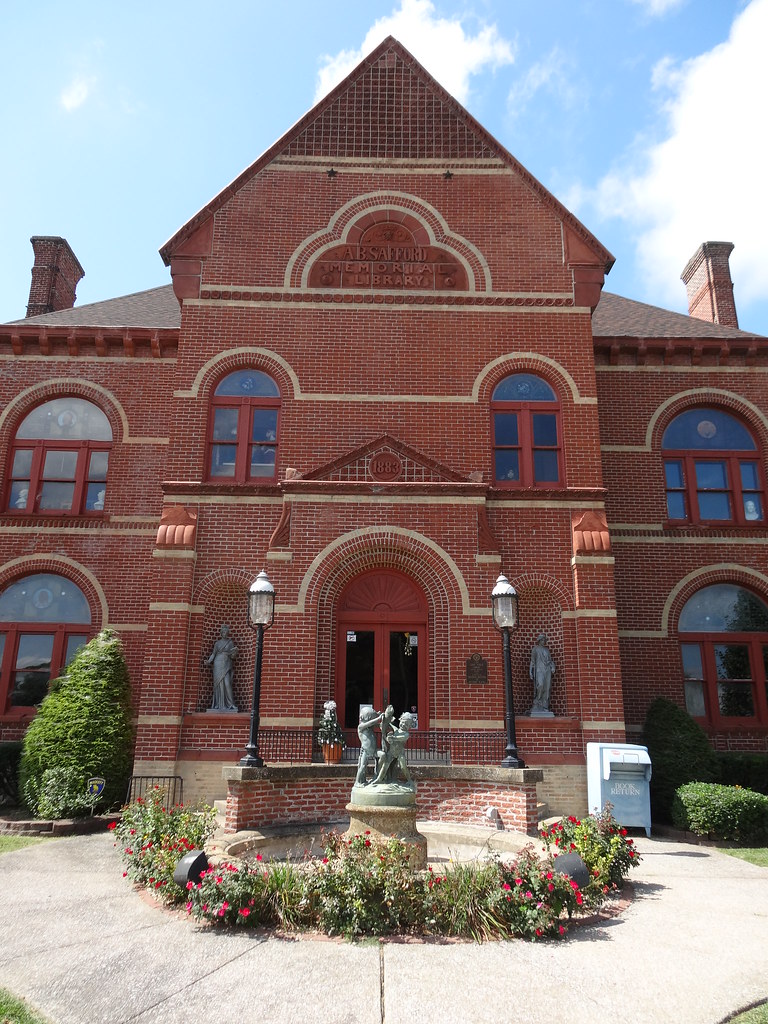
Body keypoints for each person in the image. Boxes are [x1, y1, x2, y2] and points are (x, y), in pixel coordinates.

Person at [372, 711, 416, 785]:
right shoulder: (396, 730)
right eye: (402, 722)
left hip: (400, 753)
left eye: (406, 724)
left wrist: (392, 738)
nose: (403, 725)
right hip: (391, 752)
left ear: (409, 726)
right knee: (385, 766)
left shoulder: (406, 734)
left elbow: (399, 738)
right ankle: (379, 779)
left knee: (403, 767)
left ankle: (409, 780)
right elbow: (390, 725)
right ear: (400, 720)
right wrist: (385, 719)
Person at [206, 624, 239, 711]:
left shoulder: (230, 642)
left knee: (227, 683)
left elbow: (232, 656)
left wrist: (235, 652)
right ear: (221, 633)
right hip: (218, 663)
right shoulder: (217, 643)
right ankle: (218, 704)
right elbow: (213, 654)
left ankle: (230, 704)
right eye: (223, 632)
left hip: (226, 663)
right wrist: (209, 661)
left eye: (226, 632)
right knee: (218, 684)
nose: (225, 633)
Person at [355, 707, 384, 785]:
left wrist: (380, 717)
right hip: (365, 750)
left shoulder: (370, 727)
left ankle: (377, 775)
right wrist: (378, 718)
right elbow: (370, 723)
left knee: (382, 755)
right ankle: (358, 782)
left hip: (374, 750)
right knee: (362, 766)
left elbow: (376, 724)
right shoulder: (361, 727)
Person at [529, 633, 555, 713]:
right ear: (539, 640)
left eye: (545, 640)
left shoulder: (547, 650)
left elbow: (550, 660)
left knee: (547, 688)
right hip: (539, 670)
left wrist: (552, 667)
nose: (544, 641)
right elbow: (532, 661)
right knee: (540, 685)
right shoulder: (535, 649)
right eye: (542, 640)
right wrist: (530, 671)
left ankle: (544, 705)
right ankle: (538, 701)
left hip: (547, 670)